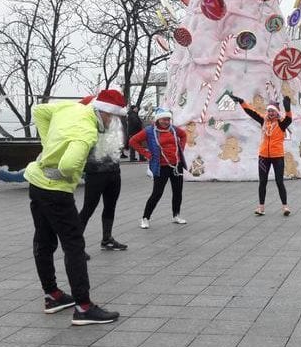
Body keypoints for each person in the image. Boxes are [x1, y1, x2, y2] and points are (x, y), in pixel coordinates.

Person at [22, 89, 126, 325]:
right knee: (74, 245)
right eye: (112, 117)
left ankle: (52, 295)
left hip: (36, 182)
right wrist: (62, 170)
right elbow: (69, 165)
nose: (112, 123)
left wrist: (48, 145)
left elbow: (38, 111)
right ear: (103, 112)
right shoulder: (86, 131)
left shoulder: (70, 107)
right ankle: (83, 307)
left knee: (44, 240)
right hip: (56, 190)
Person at [77, 95, 128, 258]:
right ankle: (75, 245)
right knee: (88, 208)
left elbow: (120, 144)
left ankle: (107, 239)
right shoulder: (89, 122)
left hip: (114, 171)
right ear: (101, 111)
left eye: (114, 115)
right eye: (108, 114)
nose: (111, 117)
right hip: (95, 172)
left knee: (110, 206)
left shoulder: (116, 123)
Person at [230, 94, 293, 216]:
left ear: (276, 112)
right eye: (269, 111)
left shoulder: (281, 123)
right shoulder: (263, 121)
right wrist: (242, 101)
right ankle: (261, 207)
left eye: (273, 111)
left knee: (279, 181)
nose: (270, 113)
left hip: (277, 156)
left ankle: (285, 207)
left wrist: (288, 109)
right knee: (262, 182)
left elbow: (289, 119)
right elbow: (251, 112)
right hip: (263, 156)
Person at [129, 108, 188, 228]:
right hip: (161, 166)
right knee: (157, 193)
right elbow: (133, 141)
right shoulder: (149, 131)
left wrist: (180, 148)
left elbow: (184, 135)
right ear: (158, 119)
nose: (166, 122)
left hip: (176, 165)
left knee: (178, 192)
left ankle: (176, 215)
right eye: (164, 119)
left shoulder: (173, 129)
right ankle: (145, 218)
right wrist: (147, 154)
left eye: (168, 119)